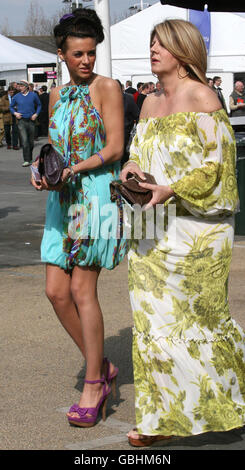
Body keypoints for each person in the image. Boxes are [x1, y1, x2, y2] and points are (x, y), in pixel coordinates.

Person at [121, 18, 245, 447]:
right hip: (151, 229)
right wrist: (131, 169)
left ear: (182, 50)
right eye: (151, 43)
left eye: (162, 43)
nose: (152, 49)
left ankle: (226, 404)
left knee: (200, 322)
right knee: (153, 325)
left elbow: (217, 167)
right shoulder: (150, 103)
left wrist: (172, 188)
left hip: (198, 232)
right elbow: (137, 153)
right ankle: (159, 419)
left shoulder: (203, 96)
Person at [30, 8, 127, 428]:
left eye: (90, 53)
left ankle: (94, 384)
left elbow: (116, 149)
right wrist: (42, 169)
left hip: (93, 197)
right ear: (61, 55)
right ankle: (101, 363)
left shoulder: (108, 88)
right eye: (78, 54)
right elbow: (54, 145)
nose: (86, 61)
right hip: (61, 198)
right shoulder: (55, 95)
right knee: (56, 291)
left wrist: (75, 169)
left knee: (83, 291)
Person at [10, 80, 42, 166]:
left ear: (26, 87)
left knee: (31, 142)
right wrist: (15, 113)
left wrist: (36, 114)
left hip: (31, 120)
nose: (20, 88)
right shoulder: (16, 97)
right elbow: (11, 107)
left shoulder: (33, 95)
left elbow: (39, 105)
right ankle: (26, 160)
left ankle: (30, 158)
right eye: (19, 86)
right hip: (21, 121)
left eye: (22, 86)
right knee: (24, 141)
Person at [116, 79, 140, 167]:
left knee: (122, 158)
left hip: (124, 134)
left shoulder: (128, 99)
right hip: (109, 135)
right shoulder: (106, 99)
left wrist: (138, 133)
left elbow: (137, 115)